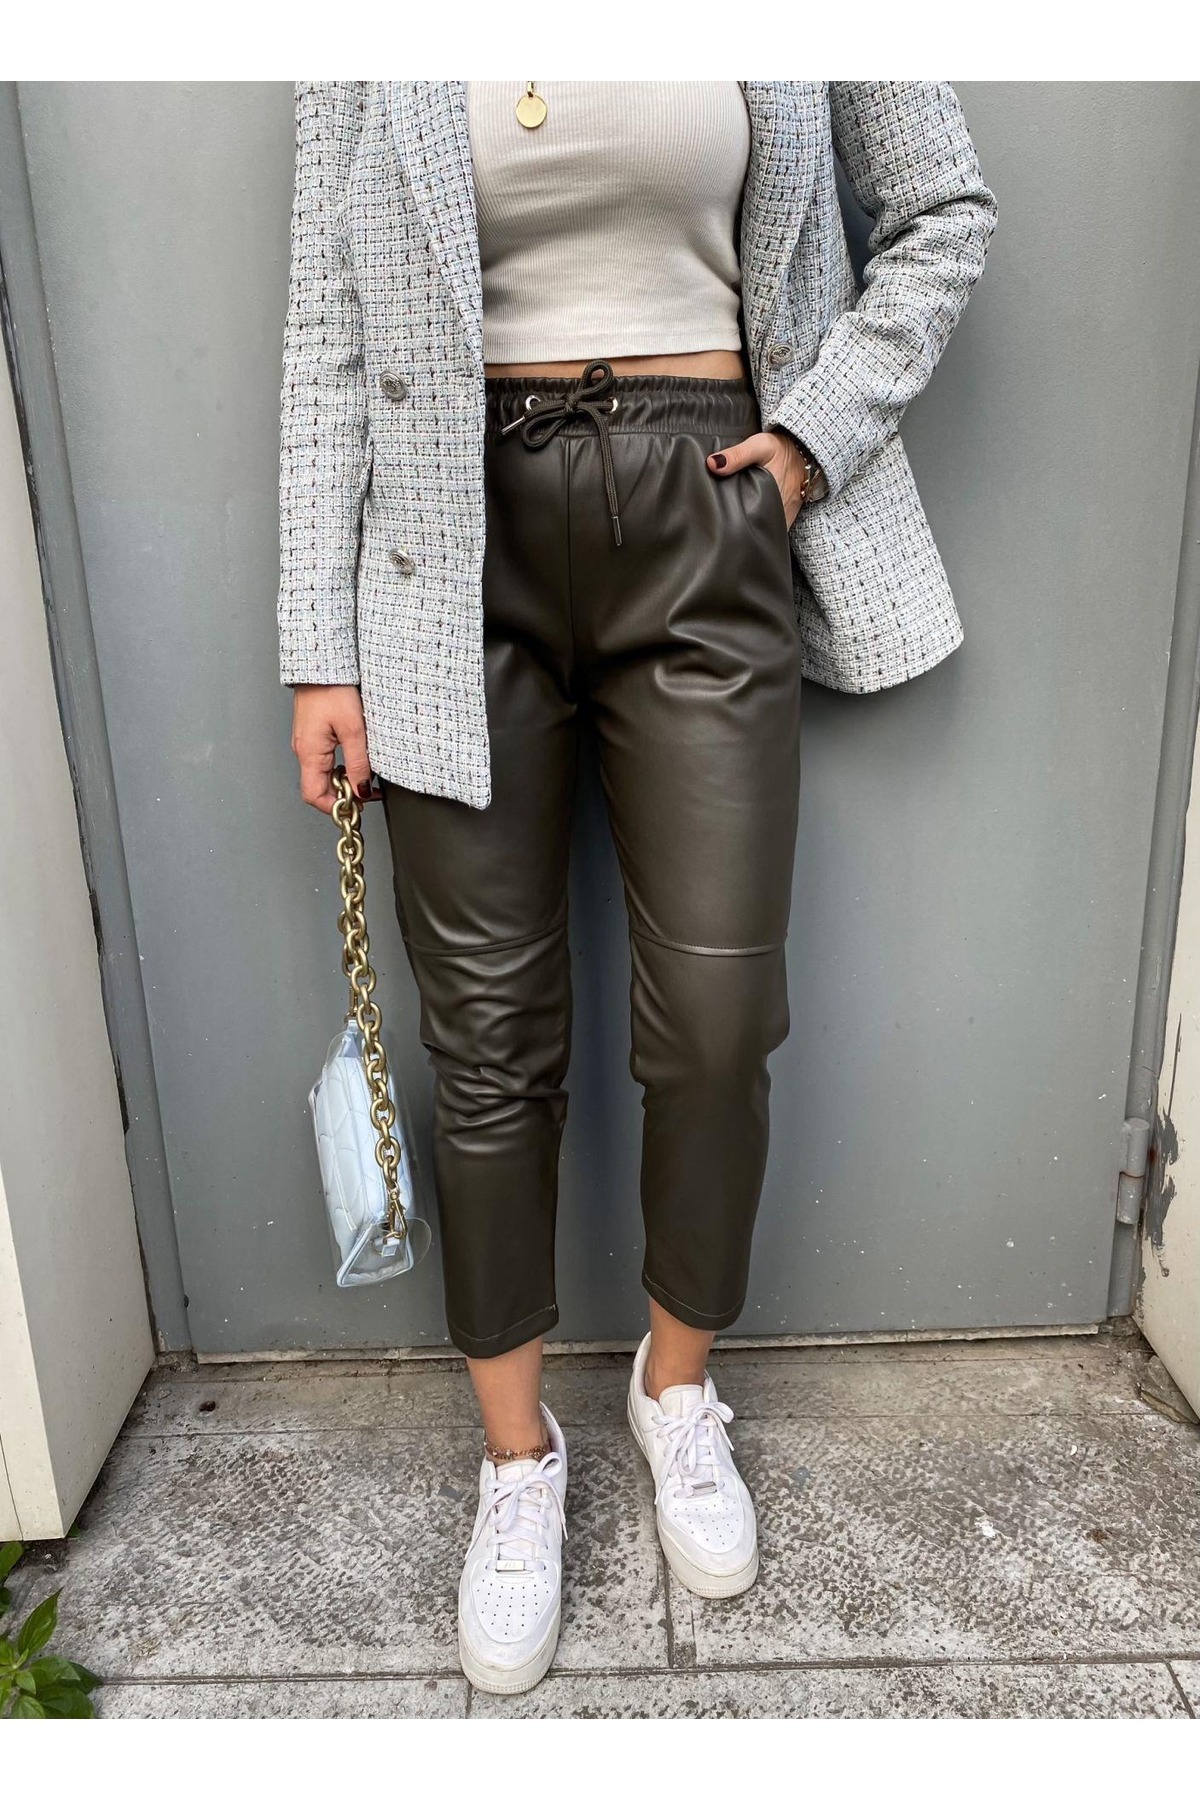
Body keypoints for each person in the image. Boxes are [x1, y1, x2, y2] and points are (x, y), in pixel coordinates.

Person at [279, 79, 997, 1696]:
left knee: (722, 1015)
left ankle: (676, 1390)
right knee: (485, 1041)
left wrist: (810, 442)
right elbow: (328, 310)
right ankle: (516, 1462)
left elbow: (944, 211)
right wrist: (319, 646)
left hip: (704, 513)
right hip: (445, 550)